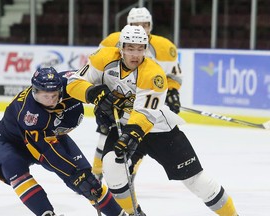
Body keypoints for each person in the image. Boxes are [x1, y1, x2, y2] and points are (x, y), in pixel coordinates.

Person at [67, 25, 239, 216]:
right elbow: (73, 82)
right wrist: (93, 93)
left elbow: (145, 114)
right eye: (130, 48)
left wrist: (131, 135)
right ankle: (135, 214)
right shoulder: (103, 58)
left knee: (197, 181)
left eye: (140, 48)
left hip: (157, 129)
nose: (135, 54)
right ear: (121, 47)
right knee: (112, 169)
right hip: (122, 125)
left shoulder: (154, 74)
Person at [0, 67, 127, 216]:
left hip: (52, 136)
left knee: (90, 182)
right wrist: (74, 173)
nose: (50, 101)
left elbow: (97, 76)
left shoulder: (71, 83)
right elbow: (47, 150)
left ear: (60, 91)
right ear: (34, 92)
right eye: (45, 96)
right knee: (13, 168)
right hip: (13, 144)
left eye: (54, 95)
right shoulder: (30, 114)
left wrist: (101, 102)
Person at [92, 7, 182, 182]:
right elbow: (99, 69)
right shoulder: (112, 40)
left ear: (151, 25)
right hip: (117, 100)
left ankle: (131, 171)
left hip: (145, 100)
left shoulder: (165, 47)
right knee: (105, 133)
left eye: (145, 24)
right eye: (135, 24)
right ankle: (96, 172)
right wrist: (103, 94)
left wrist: (172, 92)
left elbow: (172, 76)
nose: (141, 27)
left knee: (138, 137)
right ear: (127, 25)